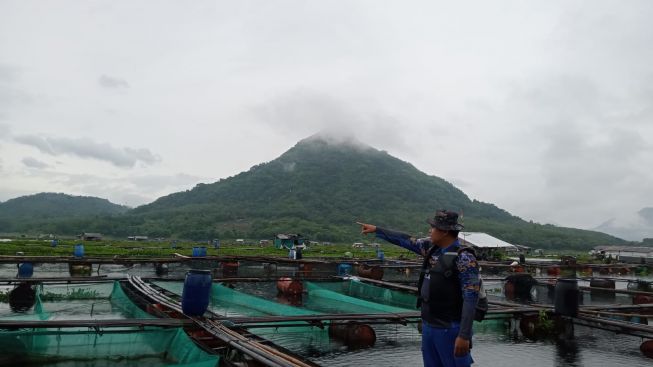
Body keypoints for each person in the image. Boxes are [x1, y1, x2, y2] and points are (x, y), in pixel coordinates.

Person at [358, 210, 479, 367]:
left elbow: (471, 298)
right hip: (429, 326)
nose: (430, 231)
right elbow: (405, 239)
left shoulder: (464, 258)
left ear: (445, 232)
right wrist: (377, 229)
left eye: (433, 227)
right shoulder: (430, 249)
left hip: (450, 329)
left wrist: (464, 335)